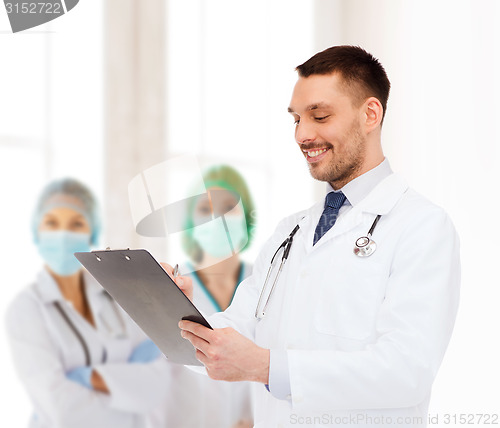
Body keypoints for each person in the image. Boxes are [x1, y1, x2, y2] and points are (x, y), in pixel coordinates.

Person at [176, 46, 461, 427]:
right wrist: (179, 313)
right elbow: (237, 334)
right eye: (296, 119)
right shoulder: (290, 232)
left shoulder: (422, 226)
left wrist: (268, 367)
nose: (302, 134)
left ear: (370, 114)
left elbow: (406, 371)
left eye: (320, 116)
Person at [5, 178, 172, 428]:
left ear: (91, 231)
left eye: (76, 224)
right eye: (52, 223)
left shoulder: (117, 293)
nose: (63, 234)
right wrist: (125, 385)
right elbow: (62, 411)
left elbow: (156, 386)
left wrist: (87, 378)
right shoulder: (25, 309)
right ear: (37, 231)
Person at [153, 165, 255, 428]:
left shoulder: (266, 281)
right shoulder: (170, 284)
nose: (216, 218)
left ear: (246, 217)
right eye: (204, 209)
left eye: (228, 207)